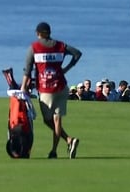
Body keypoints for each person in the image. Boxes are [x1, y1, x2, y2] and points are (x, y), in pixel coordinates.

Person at [21, 21, 81, 159]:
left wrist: (23, 88)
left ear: (38, 33)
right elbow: (77, 54)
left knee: (49, 121)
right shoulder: (60, 45)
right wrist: (66, 68)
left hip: (46, 89)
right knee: (57, 120)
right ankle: (58, 148)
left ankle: (66, 141)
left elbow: (28, 70)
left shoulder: (34, 48)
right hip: (61, 86)